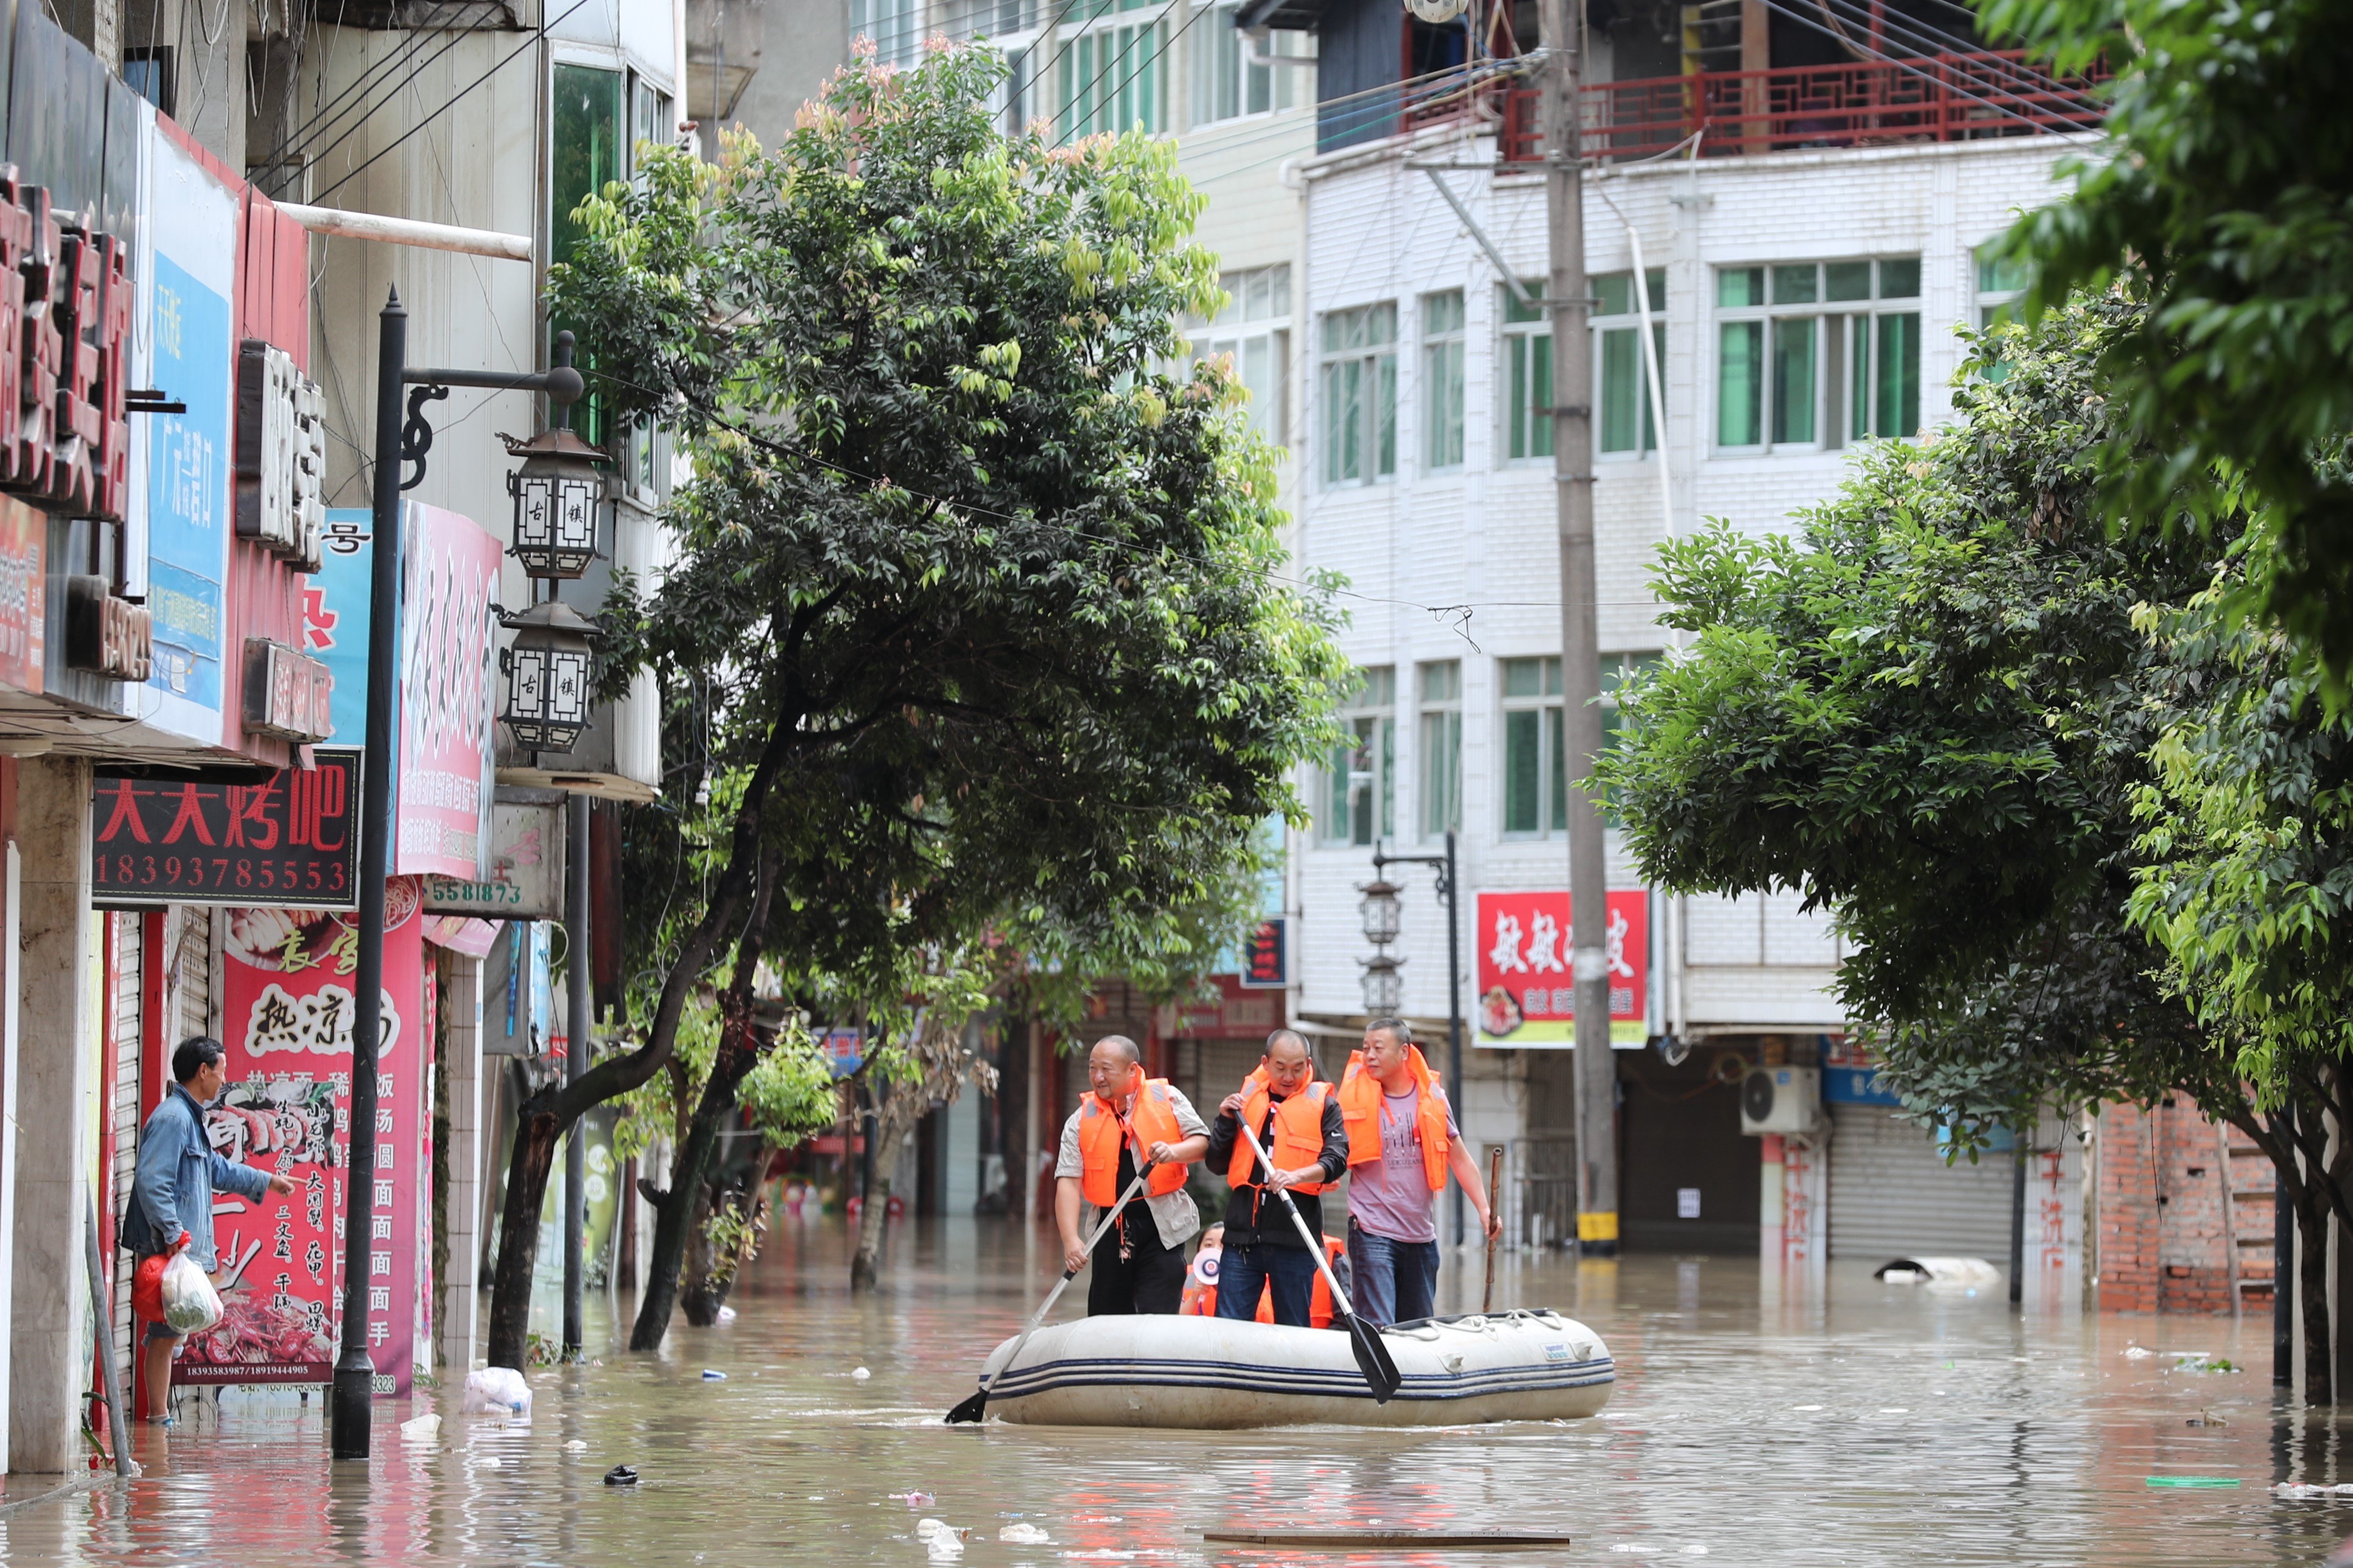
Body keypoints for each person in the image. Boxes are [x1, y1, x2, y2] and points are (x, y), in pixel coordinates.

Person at [123, 1036, 295, 1425]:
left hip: (182, 1247)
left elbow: (216, 1169)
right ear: (203, 1071)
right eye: (222, 1070)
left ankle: (160, 1421)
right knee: (165, 1333)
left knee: (173, 1331)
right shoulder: (174, 1118)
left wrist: (266, 1180)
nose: (224, 1079)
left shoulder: (190, 1117)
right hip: (169, 1246)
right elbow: (152, 1182)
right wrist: (172, 1233)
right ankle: (159, 1423)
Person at [1338, 1016, 1499, 1327]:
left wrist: (1484, 1210)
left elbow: (1460, 1159)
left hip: (1421, 1236)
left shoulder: (1432, 1099)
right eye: (1366, 1048)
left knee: (1418, 1329)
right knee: (1379, 1327)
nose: (1369, 1056)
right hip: (1372, 1231)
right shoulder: (1351, 1098)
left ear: (1404, 1052)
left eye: (1378, 1049)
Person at [1054, 1035, 1211, 1314]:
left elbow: (1202, 1143)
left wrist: (1174, 1152)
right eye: (1092, 1068)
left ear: (1132, 1070)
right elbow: (1068, 1181)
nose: (1098, 1077)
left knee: (1158, 1313)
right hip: (1110, 1226)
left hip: (1163, 1225)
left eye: (1106, 1069)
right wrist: (1070, 1239)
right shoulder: (1080, 1120)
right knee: (1107, 1314)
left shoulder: (1168, 1098)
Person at [1205, 1028, 1347, 1327]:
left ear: (1309, 1065)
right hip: (1242, 1241)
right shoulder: (1245, 1103)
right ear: (1266, 1063)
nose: (1289, 1077)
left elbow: (1337, 1159)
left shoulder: (1325, 1106)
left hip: (1295, 1239)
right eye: (1280, 1068)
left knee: (1293, 1331)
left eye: (1297, 1068)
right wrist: (1225, 1121)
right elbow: (1215, 1163)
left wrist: (1296, 1176)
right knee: (1228, 1329)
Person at [1181, 1222, 1350, 1328]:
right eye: (1208, 1245)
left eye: (1223, 1245)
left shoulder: (1258, 1272)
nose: (1215, 1250)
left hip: (1313, 1341)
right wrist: (1195, 1297)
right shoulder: (1187, 1276)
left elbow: (1266, 1318)